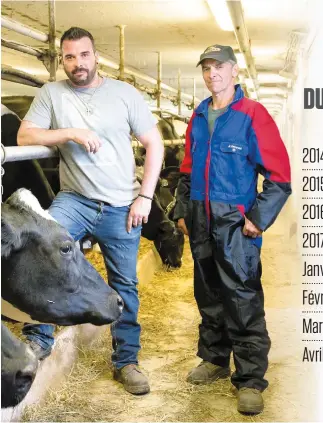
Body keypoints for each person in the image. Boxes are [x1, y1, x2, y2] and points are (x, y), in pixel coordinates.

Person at [17, 27, 164, 396]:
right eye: (69, 56)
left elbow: (155, 143)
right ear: (62, 59)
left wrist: (145, 197)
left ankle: (126, 361)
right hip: (75, 198)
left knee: (124, 284)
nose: (77, 63)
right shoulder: (52, 93)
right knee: (45, 250)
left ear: (96, 56)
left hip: (121, 204)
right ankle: (39, 337)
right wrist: (69, 132)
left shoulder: (125, 94)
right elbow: (24, 137)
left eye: (83, 55)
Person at [173, 44, 291, 414]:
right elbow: (188, 169)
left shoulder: (252, 115)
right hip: (200, 217)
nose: (212, 74)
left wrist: (257, 217)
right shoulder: (199, 114)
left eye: (218, 67)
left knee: (241, 297)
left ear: (234, 71)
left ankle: (251, 377)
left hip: (235, 223)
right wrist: (181, 210)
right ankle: (215, 360)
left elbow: (280, 176)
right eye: (206, 68)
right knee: (208, 292)